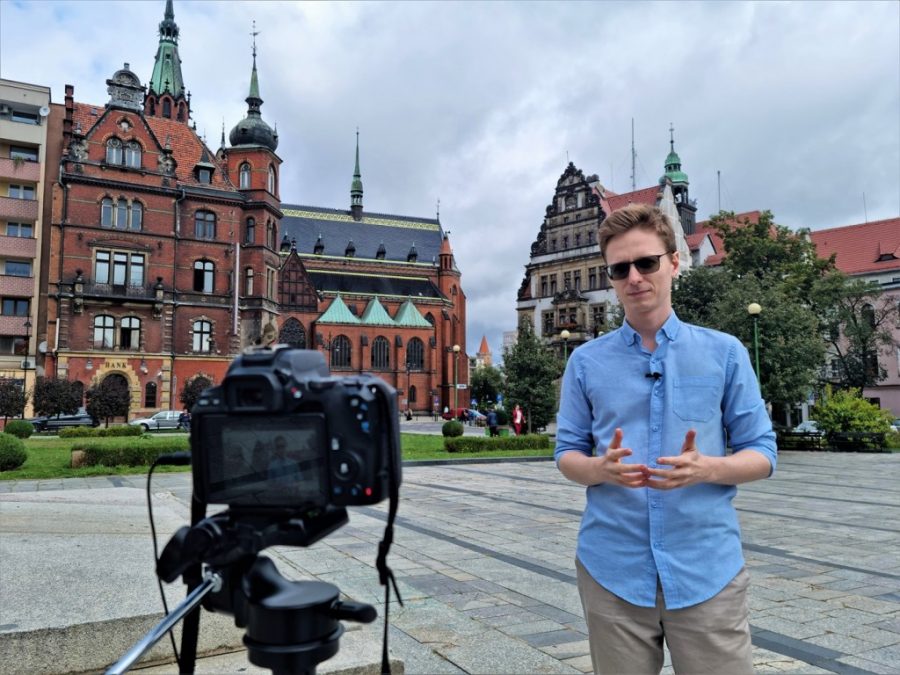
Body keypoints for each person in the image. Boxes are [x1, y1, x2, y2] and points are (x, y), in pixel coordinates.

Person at [554, 204, 776, 675]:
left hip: (706, 568)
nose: (634, 277)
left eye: (646, 263)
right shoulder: (586, 362)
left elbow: (763, 452)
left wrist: (708, 468)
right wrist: (599, 469)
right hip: (612, 569)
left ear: (674, 263)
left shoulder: (725, 352)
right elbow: (566, 453)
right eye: (619, 269)